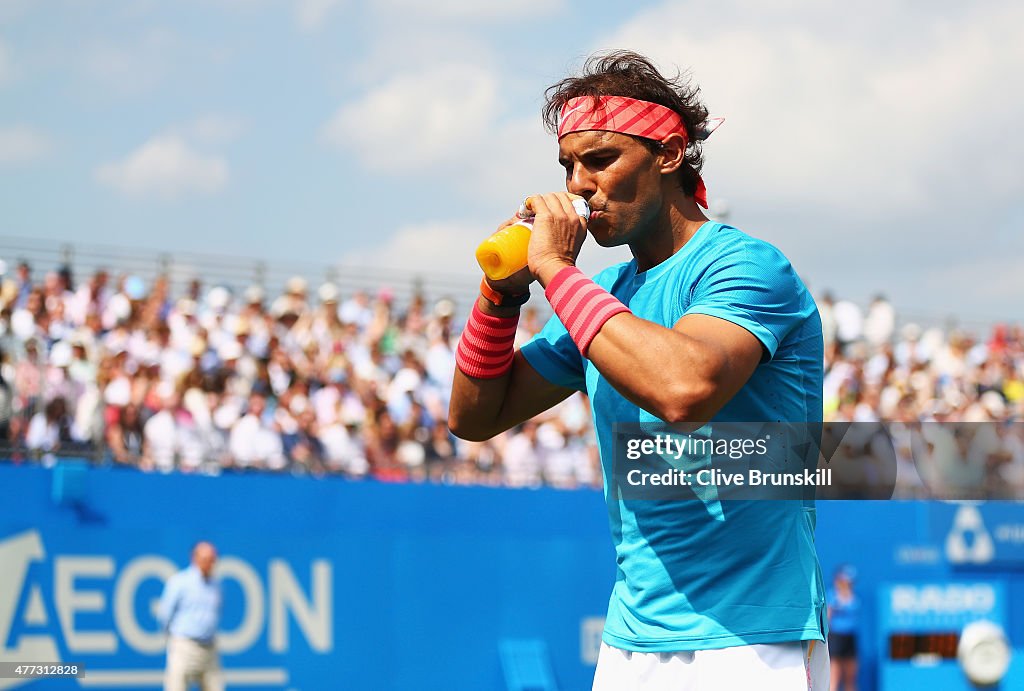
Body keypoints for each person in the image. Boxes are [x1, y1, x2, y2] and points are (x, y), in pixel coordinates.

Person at [448, 50, 828, 689]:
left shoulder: (747, 265)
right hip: (630, 639)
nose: (577, 185)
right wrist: (501, 295)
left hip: (751, 640)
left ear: (670, 155)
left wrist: (556, 273)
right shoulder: (608, 292)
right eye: (568, 166)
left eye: (601, 160)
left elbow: (684, 388)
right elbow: (474, 416)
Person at [157, 541, 224, 691]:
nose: (211, 563)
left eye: (213, 559)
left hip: (209, 648)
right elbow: (164, 614)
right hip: (184, 646)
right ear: (195, 558)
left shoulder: (217, 585)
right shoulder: (179, 582)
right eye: (206, 559)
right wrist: (173, 639)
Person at [827, 565, 860, 691]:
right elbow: (828, 617)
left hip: (849, 638)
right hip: (836, 638)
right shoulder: (831, 596)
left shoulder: (854, 598)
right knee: (834, 677)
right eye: (844, 581)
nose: (847, 584)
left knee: (850, 678)